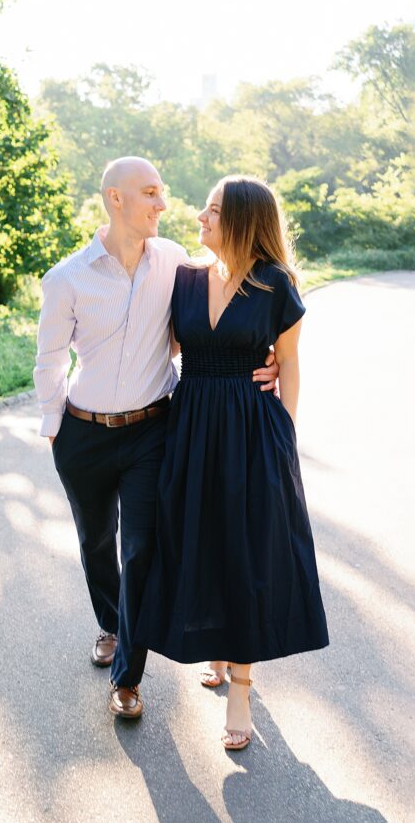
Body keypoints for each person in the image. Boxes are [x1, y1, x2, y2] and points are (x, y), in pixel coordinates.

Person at [33, 157, 279, 719]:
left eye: (163, 193)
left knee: (141, 550)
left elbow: (235, 282)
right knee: (97, 543)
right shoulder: (66, 279)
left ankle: (127, 678)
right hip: (84, 434)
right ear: (115, 199)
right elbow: (48, 363)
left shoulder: (173, 261)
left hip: (151, 430)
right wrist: (54, 429)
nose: (163, 205)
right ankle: (112, 626)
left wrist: (268, 355)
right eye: (150, 193)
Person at [134, 174, 329, 748]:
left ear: (243, 220)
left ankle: (240, 684)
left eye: (213, 211)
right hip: (190, 427)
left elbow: (288, 363)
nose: (200, 216)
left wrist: (283, 431)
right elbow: (162, 346)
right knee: (201, 537)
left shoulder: (275, 286)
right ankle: (215, 651)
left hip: (251, 430)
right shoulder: (185, 281)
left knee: (245, 548)